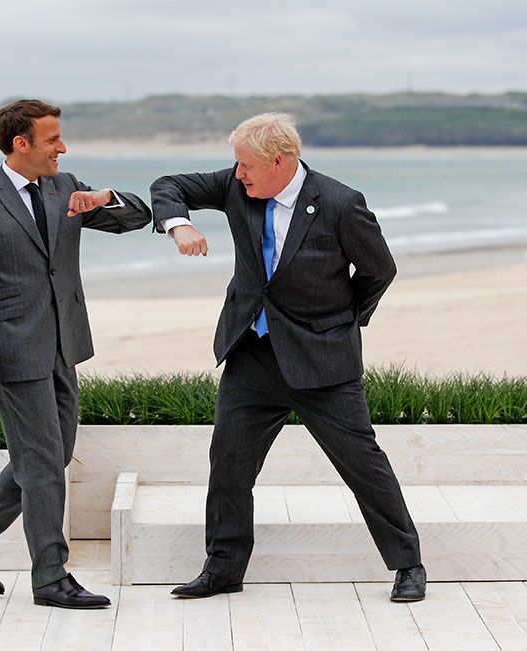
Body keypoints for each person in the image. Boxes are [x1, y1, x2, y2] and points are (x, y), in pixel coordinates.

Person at [151, 113, 425, 602]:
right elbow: (168, 184)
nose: (238, 174)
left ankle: (408, 564)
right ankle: (222, 570)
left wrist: (340, 322)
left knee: (363, 464)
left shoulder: (340, 202)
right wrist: (179, 225)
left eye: (247, 165)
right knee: (229, 463)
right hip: (252, 356)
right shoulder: (237, 187)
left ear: (281, 161)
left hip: (323, 362)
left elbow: (379, 270)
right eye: (236, 165)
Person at [0, 99, 151, 609]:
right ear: (22, 144)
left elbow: (137, 219)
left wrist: (105, 197)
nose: (63, 147)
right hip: (11, 350)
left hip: (66, 344)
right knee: (41, 465)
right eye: (53, 139)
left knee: (49, 457)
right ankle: (50, 577)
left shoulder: (66, 186)